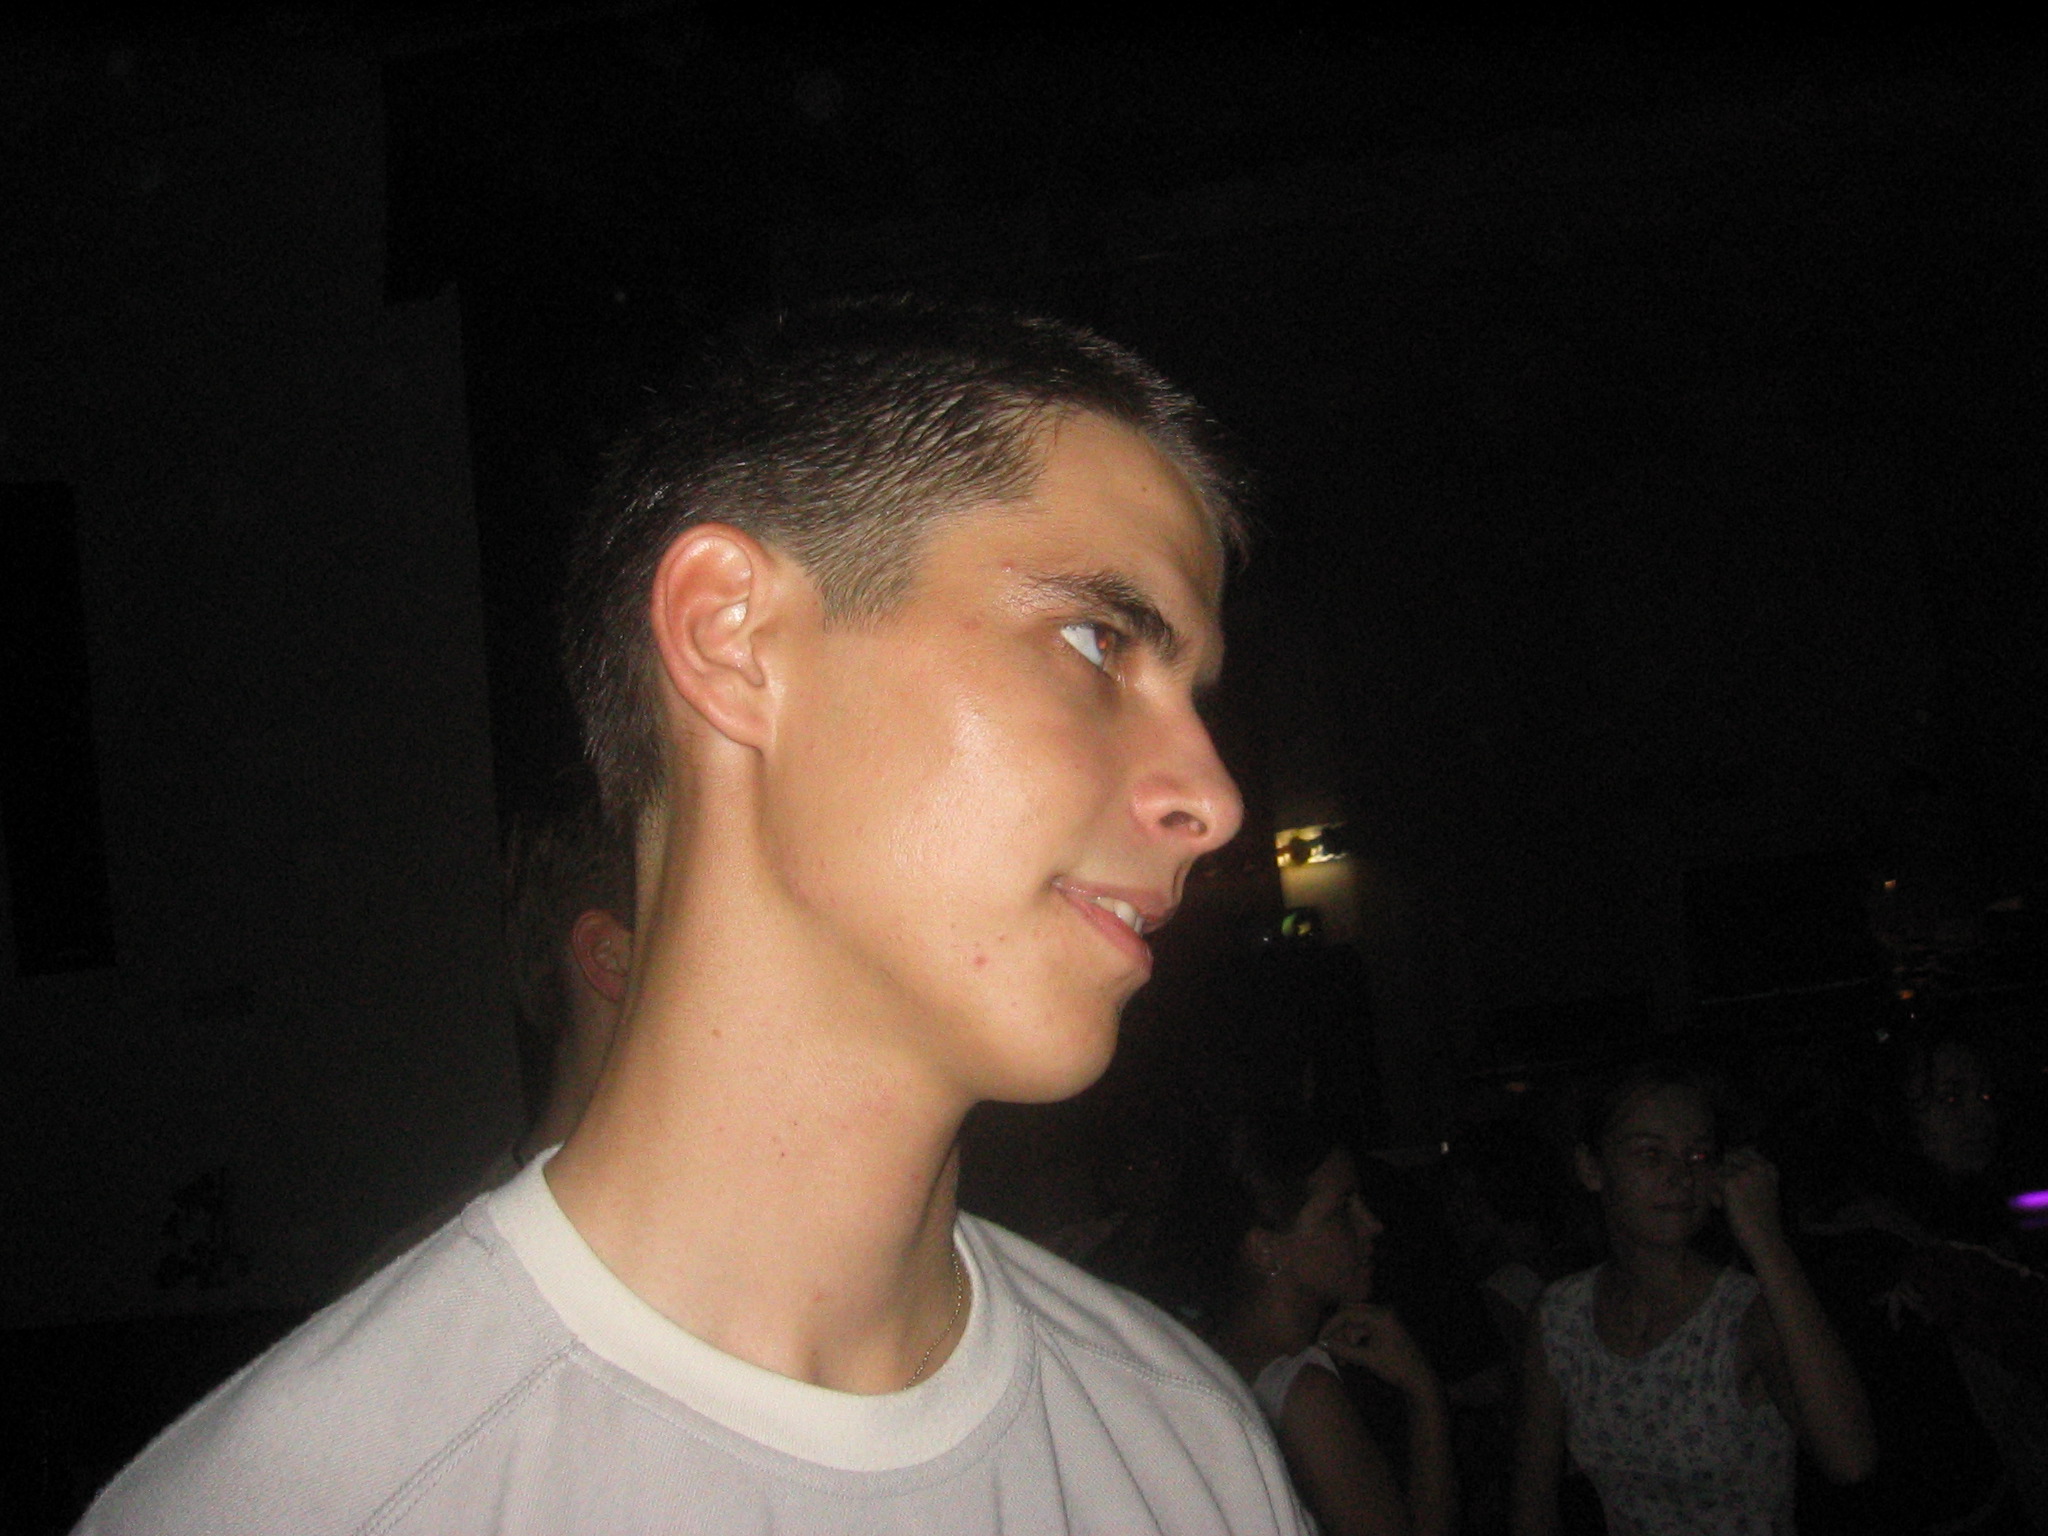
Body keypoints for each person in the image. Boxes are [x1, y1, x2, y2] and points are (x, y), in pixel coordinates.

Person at [78, 298, 1312, 1534]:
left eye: (1193, 697)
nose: (1212, 800)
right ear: (733, 636)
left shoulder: (1188, 1448)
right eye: (1096, 640)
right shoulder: (306, 1504)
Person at [1511, 1062, 1874, 1536]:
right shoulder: (1562, 1315)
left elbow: (1851, 1460)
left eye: (1698, 1155)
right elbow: (1532, 1507)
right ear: (1591, 1167)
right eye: (1650, 1154)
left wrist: (1767, 1240)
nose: (1680, 1175)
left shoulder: (1745, 1312)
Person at [1204, 1113, 1458, 1536]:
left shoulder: (1211, 1351)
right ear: (1266, 1248)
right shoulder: (1304, 1394)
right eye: (1342, 1210)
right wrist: (1424, 1393)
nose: (1372, 1225)